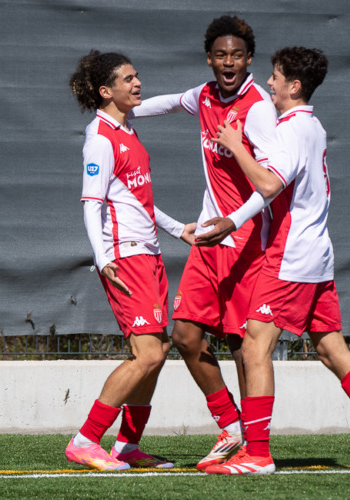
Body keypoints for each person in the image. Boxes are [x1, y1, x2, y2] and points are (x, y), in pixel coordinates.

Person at [204, 46, 350, 475]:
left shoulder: (292, 129)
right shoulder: (312, 125)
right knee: (330, 348)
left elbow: (268, 184)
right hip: (316, 253)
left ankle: (257, 454)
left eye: (276, 76)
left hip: (291, 254)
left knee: (254, 346)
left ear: (294, 86)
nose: (269, 82)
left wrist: (236, 148)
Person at [131, 15, 279, 470]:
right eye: (220, 55)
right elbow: (169, 103)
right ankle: (230, 426)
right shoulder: (205, 95)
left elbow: (270, 183)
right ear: (209, 60)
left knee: (242, 345)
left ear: (249, 59)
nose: (228, 62)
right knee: (184, 335)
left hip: (246, 240)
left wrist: (234, 221)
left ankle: (254, 444)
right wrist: (123, 112)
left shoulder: (258, 107)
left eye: (237, 55)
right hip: (209, 239)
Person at [65, 50, 195, 471]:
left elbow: (138, 201)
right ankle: (85, 440)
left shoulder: (128, 128)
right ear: (106, 91)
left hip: (149, 254)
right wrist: (103, 258)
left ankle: (127, 446)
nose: (137, 83)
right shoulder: (100, 139)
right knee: (149, 354)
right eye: (128, 79)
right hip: (125, 257)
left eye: (137, 76)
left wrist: (177, 229)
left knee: (158, 350)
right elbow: (91, 204)